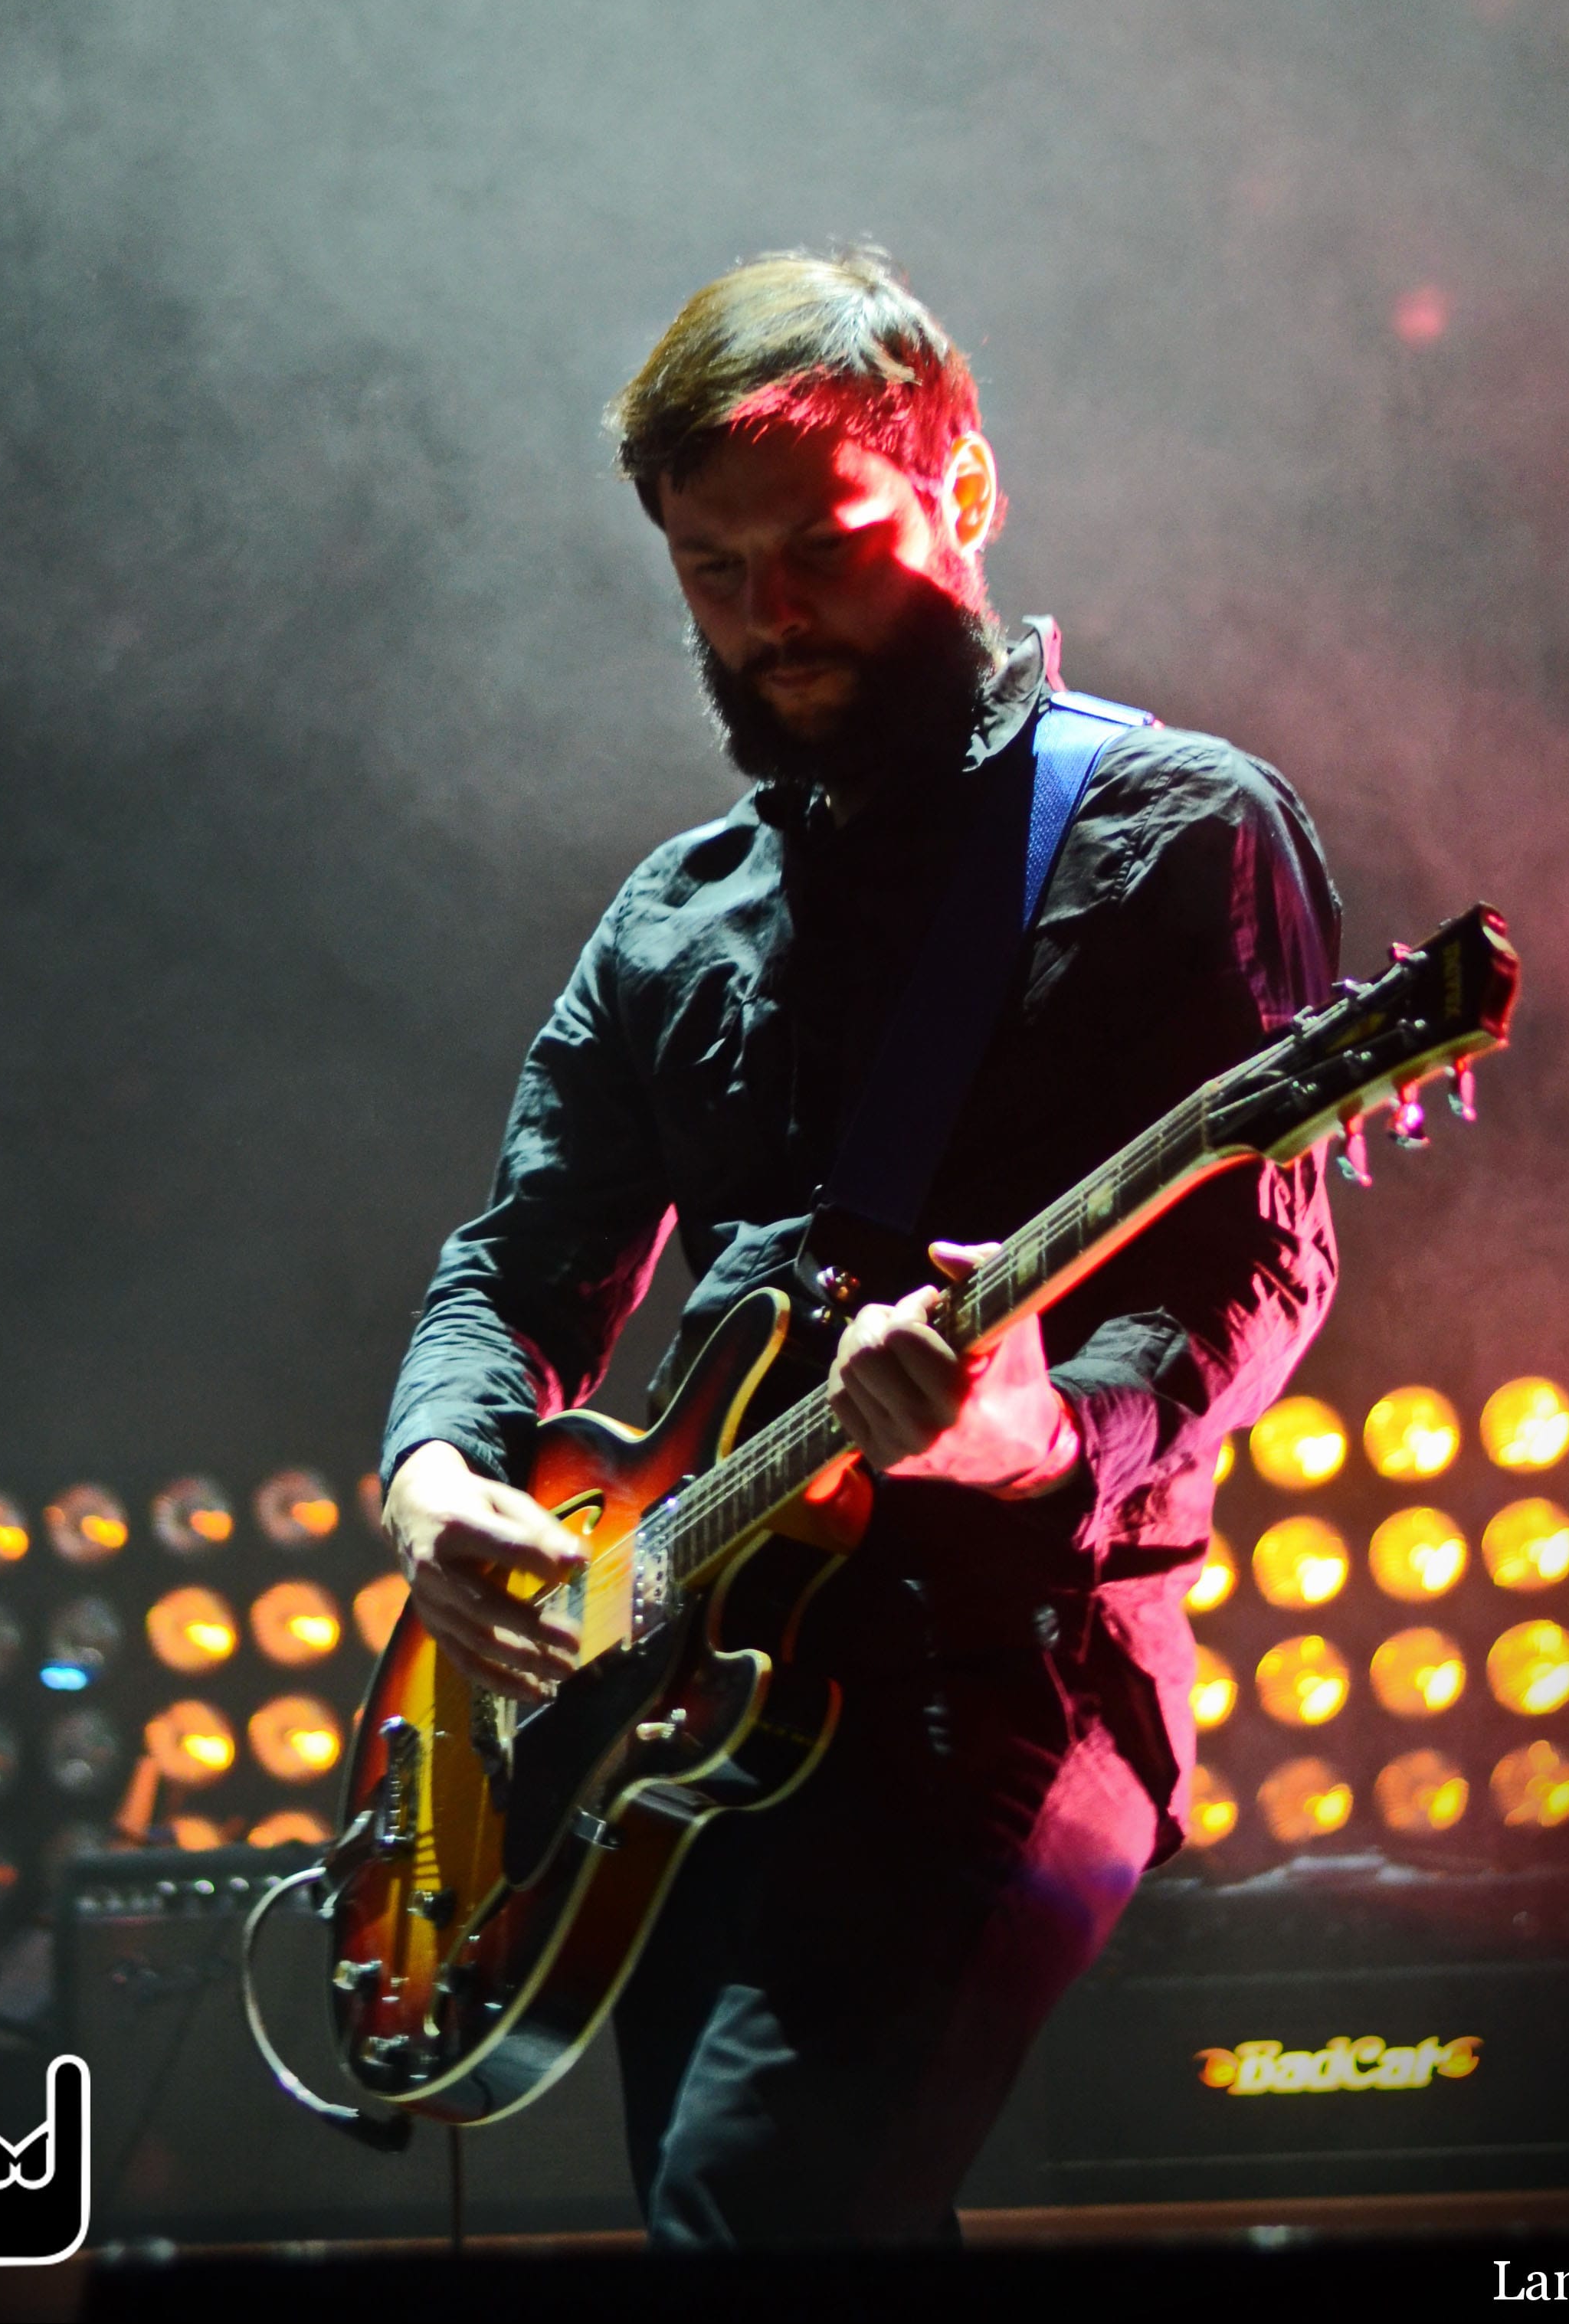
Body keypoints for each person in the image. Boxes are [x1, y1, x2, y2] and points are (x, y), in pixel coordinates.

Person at [378, 247, 1339, 2245]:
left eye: (821, 546)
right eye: (714, 572)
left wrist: (1030, 1426)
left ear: (963, 488)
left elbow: (1257, 1270)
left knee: (756, 2219)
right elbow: (521, 1261)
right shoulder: (674, 914)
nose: (772, 615)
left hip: (1005, 1678)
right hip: (686, 1705)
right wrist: (438, 1476)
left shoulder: (1177, 829)